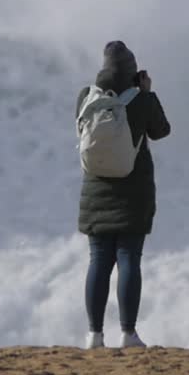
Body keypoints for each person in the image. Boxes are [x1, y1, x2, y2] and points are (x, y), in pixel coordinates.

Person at [75, 40, 171, 348]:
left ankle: (93, 335)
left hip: (95, 189)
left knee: (98, 260)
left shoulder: (86, 97)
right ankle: (128, 334)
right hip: (134, 191)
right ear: (133, 71)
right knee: (129, 258)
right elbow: (161, 130)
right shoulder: (141, 100)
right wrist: (147, 92)